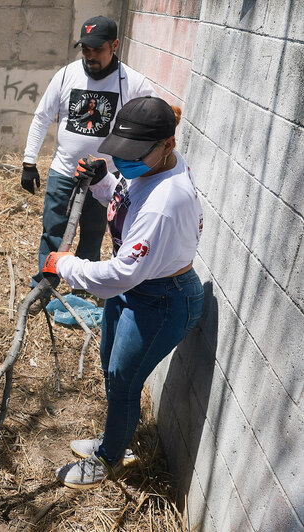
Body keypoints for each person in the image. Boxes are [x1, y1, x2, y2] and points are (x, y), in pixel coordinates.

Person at [41, 97, 204, 488]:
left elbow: (122, 273)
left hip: (160, 299)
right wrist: (102, 181)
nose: (124, 162)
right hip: (138, 289)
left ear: (167, 144)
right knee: (112, 367)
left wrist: (65, 264)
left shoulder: (167, 200)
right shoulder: (149, 167)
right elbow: (125, 201)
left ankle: (110, 459)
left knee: (124, 380)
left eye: (132, 155)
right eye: (120, 153)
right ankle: (115, 439)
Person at [21, 15, 158, 288]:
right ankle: (45, 286)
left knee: (94, 232)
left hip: (104, 177)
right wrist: (28, 162)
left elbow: (153, 123)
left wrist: (140, 169)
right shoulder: (66, 75)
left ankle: (83, 288)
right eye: (86, 49)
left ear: (115, 45)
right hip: (64, 170)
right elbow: (41, 117)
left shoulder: (133, 83)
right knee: (53, 231)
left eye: (98, 49)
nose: (90, 56)